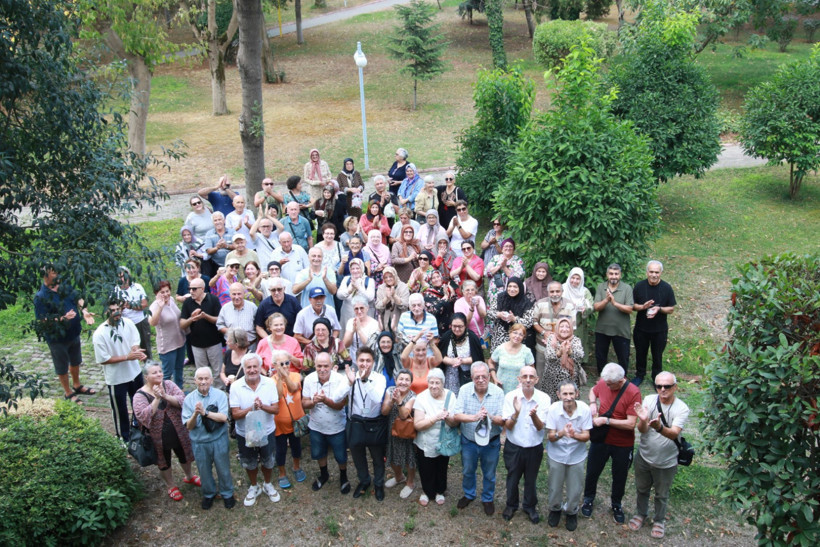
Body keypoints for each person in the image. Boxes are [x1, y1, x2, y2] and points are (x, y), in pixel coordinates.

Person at [629, 371, 689, 540]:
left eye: (667, 386)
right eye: (659, 386)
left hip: (666, 461)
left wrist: (659, 427)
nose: (663, 389)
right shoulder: (648, 400)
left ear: (675, 387)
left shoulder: (681, 408)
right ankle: (641, 514)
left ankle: (659, 520)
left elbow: (674, 433)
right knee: (642, 489)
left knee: (661, 494)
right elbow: (642, 430)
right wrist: (642, 420)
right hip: (644, 456)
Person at [581, 363, 642, 524]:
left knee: (619, 476)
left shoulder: (633, 393)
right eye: (605, 382)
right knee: (592, 471)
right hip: (601, 440)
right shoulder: (604, 381)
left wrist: (606, 420)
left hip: (622, 443)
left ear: (621, 381)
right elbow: (593, 392)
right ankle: (588, 499)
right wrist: (593, 403)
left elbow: (630, 424)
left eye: (610, 384)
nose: (606, 386)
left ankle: (616, 504)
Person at [133, 363, 198, 501]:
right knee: (164, 461)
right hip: (158, 437)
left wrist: (165, 396)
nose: (159, 374)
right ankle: (171, 485)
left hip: (178, 431)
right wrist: (157, 399)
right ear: (146, 377)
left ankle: (189, 476)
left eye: (160, 371)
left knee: (184, 454)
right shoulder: (139, 396)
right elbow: (144, 417)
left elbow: (183, 400)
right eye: (154, 372)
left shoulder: (168, 384)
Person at [34, 265, 97, 405]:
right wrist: (63, 318)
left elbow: (78, 299)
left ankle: (77, 385)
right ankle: (68, 392)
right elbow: (43, 321)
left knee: (76, 361)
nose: (57, 274)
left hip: (73, 333)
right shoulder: (40, 297)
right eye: (53, 272)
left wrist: (85, 311)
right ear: (46, 276)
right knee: (62, 366)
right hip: (57, 338)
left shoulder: (64, 286)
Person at [230, 353, 282, 507]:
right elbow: (235, 414)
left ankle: (267, 484)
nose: (252, 370)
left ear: (261, 368)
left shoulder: (269, 383)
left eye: (255, 366)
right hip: (245, 433)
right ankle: (254, 486)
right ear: (244, 368)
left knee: (268, 460)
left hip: (266, 431)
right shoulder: (236, 386)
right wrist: (251, 408)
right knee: (249, 462)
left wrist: (262, 406)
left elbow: (276, 410)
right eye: (248, 367)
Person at [453, 362, 505, 516]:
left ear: (489, 376)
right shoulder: (464, 390)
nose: (481, 379)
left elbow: (503, 419)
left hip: (491, 441)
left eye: (484, 376)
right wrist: (475, 417)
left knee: (489, 473)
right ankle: (469, 494)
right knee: (468, 470)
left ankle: (487, 498)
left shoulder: (498, 393)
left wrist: (490, 417)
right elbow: (457, 415)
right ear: (471, 378)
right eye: (477, 377)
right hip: (469, 441)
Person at [501, 365, 550, 524]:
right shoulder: (510, 397)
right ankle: (511, 505)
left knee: (531, 478)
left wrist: (533, 415)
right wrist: (516, 413)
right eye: (525, 376)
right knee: (512, 477)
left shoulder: (544, 398)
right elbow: (508, 426)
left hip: (534, 447)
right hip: (514, 446)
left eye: (531, 377)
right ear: (519, 379)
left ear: (536, 379)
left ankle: (529, 506)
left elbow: (540, 426)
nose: (528, 380)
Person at [183, 366, 236, 509]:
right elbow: (188, 426)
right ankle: (208, 494)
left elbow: (224, 417)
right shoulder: (188, 399)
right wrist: (195, 414)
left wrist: (205, 413)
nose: (203, 381)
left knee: (223, 468)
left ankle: (227, 493)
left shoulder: (220, 395)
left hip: (218, 440)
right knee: (203, 470)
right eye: (200, 379)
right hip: (199, 442)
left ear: (212, 380)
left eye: (206, 378)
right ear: (195, 381)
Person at [93, 299, 146, 441]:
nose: (117, 313)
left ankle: (139, 431)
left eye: (118, 309)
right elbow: (103, 359)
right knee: (120, 410)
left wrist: (136, 351)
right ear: (105, 312)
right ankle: (122, 438)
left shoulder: (127, 323)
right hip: (116, 379)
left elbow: (135, 341)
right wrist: (127, 357)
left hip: (135, 373)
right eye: (112, 310)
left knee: (139, 404)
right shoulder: (100, 334)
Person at [302, 352, 352, 494]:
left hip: (337, 427)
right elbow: (304, 403)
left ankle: (343, 476)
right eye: (319, 366)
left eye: (325, 366)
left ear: (331, 366)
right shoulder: (309, 379)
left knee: (341, 455)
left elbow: (340, 405)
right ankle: (324, 474)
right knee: (319, 452)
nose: (322, 369)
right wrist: (313, 402)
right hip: (316, 426)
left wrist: (325, 400)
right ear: (314, 366)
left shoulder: (340, 380)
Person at [546, 380, 592, 531]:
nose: (568, 397)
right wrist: (562, 433)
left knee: (575, 487)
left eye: (571, 393)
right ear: (558, 395)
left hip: (576, 455)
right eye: (564, 394)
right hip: (556, 454)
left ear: (577, 394)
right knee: (554, 486)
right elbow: (551, 437)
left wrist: (574, 435)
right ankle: (555, 509)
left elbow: (586, 436)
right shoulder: (553, 409)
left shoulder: (584, 409)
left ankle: (571, 511)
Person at [345, 347, 389, 501]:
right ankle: (364, 481)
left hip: (374, 423)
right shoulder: (350, 377)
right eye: (361, 360)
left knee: (377, 457)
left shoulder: (379, 378)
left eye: (368, 361)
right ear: (356, 362)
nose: (364, 364)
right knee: (358, 456)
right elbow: (338, 396)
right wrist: (350, 383)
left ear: (373, 362)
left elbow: (377, 398)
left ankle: (378, 483)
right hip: (356, 422)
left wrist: (364, 381)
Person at [413, 367, 458, 506]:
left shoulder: (451, 396)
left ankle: (440, 490)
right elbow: (418, 425)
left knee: (441, 466)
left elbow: (455, 422)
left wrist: (447, 418)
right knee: (426, 467)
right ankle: (427, 491)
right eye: (431, 382)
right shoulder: (421, 397)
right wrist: (435, 418)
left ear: (443, 383)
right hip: (425, 440)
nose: (434, 386)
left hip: (444, 439)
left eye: (437, 382)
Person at [632, 261, 677, 386]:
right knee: (640, 353)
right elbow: (633, 306)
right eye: (651, 272)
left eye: (657, 272)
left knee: (657, 356)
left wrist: (659, 309)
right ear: (647, 272)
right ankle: (639, 375)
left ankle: (656, 378)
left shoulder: (667, 288)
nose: (654, 275)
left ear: (661, 273)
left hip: (659, 330)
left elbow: (671, 309)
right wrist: (643, 306)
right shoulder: (639, 286)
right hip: (641, 328)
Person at [269, 351, 308, 489]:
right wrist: (280, 378)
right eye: (281, 364)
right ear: (274, 365)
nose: (285, 366)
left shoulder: (296, 375)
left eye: (287, 363)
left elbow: (293, 388)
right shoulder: (271, 381)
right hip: (279, 423)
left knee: (296, 446)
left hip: (295, 422)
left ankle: (296, 467)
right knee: (280, 449)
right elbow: (278, 395)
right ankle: (282, 473)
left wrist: (285, 376)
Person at [380, 368, 418, 500]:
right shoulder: (390, 391)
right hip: (391, 430)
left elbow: (403, 415)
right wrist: (392, 400)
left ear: (411, 383)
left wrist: (399, 402)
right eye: (401, 379)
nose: (403, 382)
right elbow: (384, 411)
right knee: (392, 455)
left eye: (407, 380)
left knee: (409, 457)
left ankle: (410, 482)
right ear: (396, 380)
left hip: (406, 431)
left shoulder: (413, 396)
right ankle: (399, 477)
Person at [593, 264, 634, 374]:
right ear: (607, 275)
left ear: (620, 275)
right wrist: (606, 300)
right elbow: (596, 307)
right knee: (601, 357)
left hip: (621, 330)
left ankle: (622, 380)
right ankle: (602, 379)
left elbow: (630, 309)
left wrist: (615, 303)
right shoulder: (601, 287)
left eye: (616, 274)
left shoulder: (627, 288)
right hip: (602, 329)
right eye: (611, 274)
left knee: (623, 358)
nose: (613, 276)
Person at [180, 278, 223, 382]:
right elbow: (182, 324)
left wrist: (205, 316)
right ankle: (203, 391)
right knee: (201, 372)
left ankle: (220, 392)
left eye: (194, 289)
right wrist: (191, 318)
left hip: (214, 342)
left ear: (202, 289)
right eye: (189, 288)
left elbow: (220, 320)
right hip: (196, 344)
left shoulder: (213, 299)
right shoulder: (187, 302)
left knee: (217, 371)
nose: (191, 291)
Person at [532, 281, 576, 377]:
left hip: (562, 348)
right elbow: (534, 322)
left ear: (562, 291)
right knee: (540, 374)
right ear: (548, 292)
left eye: (557, 291)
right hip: (542, 347)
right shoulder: (540, 304)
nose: (555, 294)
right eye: (552, 292)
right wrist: (544, 332)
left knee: (560, 375)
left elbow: (573, 328)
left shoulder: (570, 305)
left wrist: (558, 339)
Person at [148, 281, 186, 389]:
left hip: (180, 341)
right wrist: (160, 308)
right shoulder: (154, 306)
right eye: (162, 292)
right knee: (167, 373)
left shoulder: (172, 300)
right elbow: (152, 323)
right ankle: (164, 395)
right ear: (156, 293)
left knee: (179, 368)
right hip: (168, 345)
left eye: (167, 291)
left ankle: (179, 391)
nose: (165, 294)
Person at [437, 313, 484, 395]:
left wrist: (463, 361)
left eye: (460, 326)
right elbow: (440, 356)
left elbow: (478, 358)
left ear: (465, 325)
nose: (457, 329)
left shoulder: (472, 337)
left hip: (467, 376)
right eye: (454, 326)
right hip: (450, 377)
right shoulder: (446, 337)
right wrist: (451, 361)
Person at [111, 266, 151, 359]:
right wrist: (120, 308)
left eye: (124, 276)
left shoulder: (137, 287)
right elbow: (112, 310)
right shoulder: (115, 291)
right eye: (119, 277)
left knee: (146, 349)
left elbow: (144, 304)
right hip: (125, 324)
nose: (122, 279)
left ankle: (149, 368)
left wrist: (129, 305)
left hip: (140, 321)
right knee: (128, 350)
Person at [541, 317, 585, 398]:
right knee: (552, 403)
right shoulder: (551, 338)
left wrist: (570, 352)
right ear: (557, 328)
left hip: (570, 379)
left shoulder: (576, 340)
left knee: (569, 403)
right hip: (551, 379)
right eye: (561, 326)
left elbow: (580, 355)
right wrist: (559, 352)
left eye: (567, 327)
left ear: (571, 328)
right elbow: (549, 356)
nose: (564, 329)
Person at [487, 277, 535, 352]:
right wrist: (499, 314)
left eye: (515, 287)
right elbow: (489, 313)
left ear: (520, 288)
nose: (512, 289)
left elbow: (529, 322)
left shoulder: (526, 303)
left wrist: (514, 319)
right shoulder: (500, 297)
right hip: (499, 336)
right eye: (510, 286)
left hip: (517, 338)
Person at [489, 323, 535, 396]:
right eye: (515, 333)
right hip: (501, 388)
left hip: (519, 389)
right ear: (510, 333)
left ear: (523, 337)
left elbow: (532, 370)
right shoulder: (500, 348)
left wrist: (525, 383)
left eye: (521, 334)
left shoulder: (526, 351)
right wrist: (494, 378)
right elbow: (491, 362)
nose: (517, 336)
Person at [562, 267, 593, 366]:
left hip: (579, 324)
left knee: (577, 346)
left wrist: (585, 309)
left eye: (578, 278)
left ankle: (577, 368)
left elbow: (590, 305)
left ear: (581, 280)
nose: (574, 281)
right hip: (563, 323)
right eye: (573, 277)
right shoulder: (563, 288)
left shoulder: (584, 292)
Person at [336, 258, 375, 336]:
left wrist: (359, 288)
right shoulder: (346, 279)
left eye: (358, 268)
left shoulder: (369, 281)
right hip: (348, 314)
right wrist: (349, 290)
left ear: (362, 268)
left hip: (364, 315)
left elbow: (370, 297)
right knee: (348, 335)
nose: (355, 271)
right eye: (352, 268)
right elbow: (339, 295)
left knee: (364, 335)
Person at [484, 238, 525, 310]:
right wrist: (499, 266)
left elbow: (520, 277)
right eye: (506, 246)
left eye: (510, 246)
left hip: (512, 292)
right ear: (502, 249)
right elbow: (486, 273)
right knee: (494, 313)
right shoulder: (495, 258)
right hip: (495, 292)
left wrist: (505, 268)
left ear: (514, 249)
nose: (508, 248)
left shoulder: (518, 260)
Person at [216, 283, 258, 350]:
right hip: (232, 348)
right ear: (230, 294)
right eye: (234, 294)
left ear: (244, 293)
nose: (236, 297)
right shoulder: (225, 308)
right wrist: (232, 332)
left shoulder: (252, 307)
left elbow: (258, 326)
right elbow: (220, 325)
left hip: (250, 346)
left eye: (239, 294)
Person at [374, 266, 409, 333]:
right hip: (385, 321)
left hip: (400, 321)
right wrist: (386, 298)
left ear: (395, 276)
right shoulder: (381, 288)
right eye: (386, 277)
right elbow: (378, 306)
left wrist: (394, 296)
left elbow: (405, 305)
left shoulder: (403, 287)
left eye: (390, 276)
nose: (388, 279)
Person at [422, 269, 456, 333]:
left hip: (451, 327)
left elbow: (454, 307)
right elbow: (433, 311)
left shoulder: (446, 289)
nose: (437, 279)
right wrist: (445, 298)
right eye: (433, 278)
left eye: (438, 276)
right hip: (437, 328)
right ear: (430, 281)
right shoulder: (428, 294)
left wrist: (452, 293)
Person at [204, 211, 235, 278]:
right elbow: (208, 251)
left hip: (231, 264)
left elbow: (236, 247)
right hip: (215, 265)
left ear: (224, 220)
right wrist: (217, 247)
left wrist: (226, 246)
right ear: (213, 222)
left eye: (219, 219)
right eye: (215, 220)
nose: (218, 222)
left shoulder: (232, 232)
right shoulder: (209, 234)